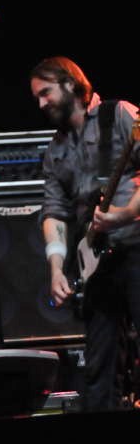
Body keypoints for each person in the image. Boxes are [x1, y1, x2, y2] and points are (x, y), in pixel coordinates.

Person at [30, 56, 140, 410]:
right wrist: (56, 268)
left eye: (45, 93)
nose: (41, 104)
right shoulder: (56, 149)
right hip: (97, 265)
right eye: (37, 97)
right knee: (99, 367)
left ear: (70, 84)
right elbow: (54, 212)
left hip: (136, 247)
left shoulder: (119, 115)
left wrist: (126, 213)